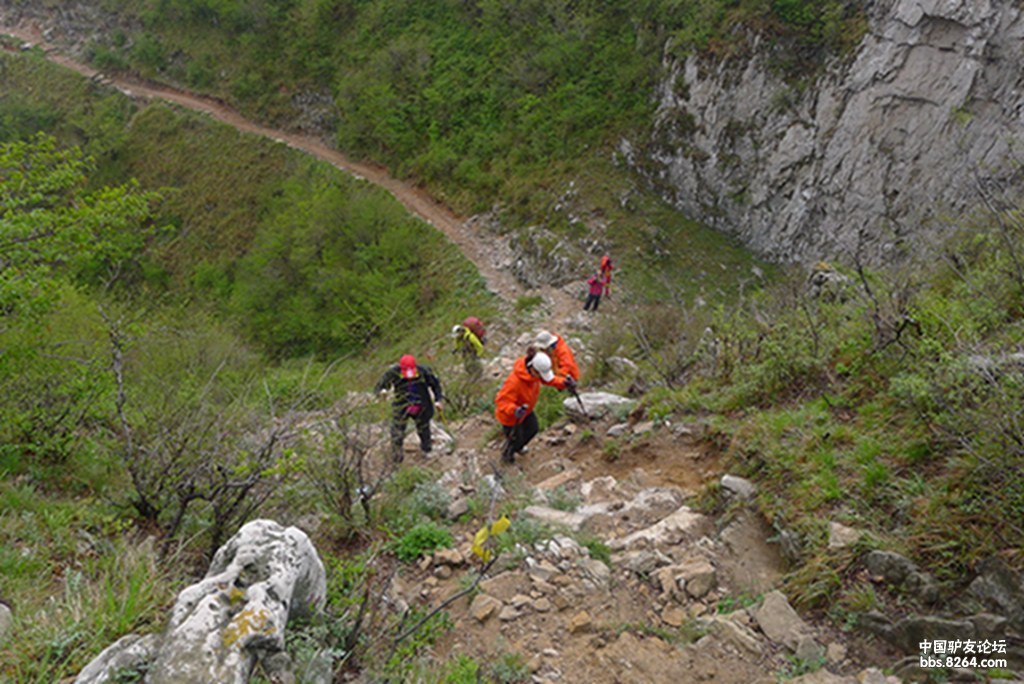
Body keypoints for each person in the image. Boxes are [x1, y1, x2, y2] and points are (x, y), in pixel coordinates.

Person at [494, 347, 573, 464]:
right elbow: (501, 401)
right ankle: (507, 458)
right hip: (510, 417)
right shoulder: (514, 382)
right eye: (540, 374)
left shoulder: (533, 375)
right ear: (532, 368)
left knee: (533, 429)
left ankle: (519, 447)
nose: (541, 377)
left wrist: (563, 383)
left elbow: (548, 380)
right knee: (514, 440)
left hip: (525, 410)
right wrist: (514, 410)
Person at [375, 354, 444, 463]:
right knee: (397, 432)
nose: (409, 376)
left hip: (422, 405)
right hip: (402, 406)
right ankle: (397, 459)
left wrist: (438, 400)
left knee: (424, 429)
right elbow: (380, 385)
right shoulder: (394, 373)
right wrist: (382, 391)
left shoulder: (424, 372)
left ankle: (427, 452)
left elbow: (436, 385)